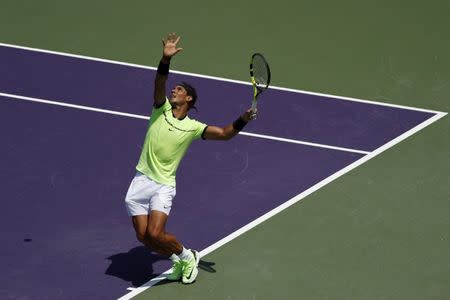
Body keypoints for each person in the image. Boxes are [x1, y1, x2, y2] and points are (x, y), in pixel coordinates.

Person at [124, 33, 256, 284]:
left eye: (180, 90)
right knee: (145, 238)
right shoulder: (160, 109)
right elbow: (159, 82)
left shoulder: (194, 127)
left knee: (155, 232)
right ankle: (178, 260)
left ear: (189, 99)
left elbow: (226, 134)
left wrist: (244, 120)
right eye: (175, 88)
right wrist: (165, 59)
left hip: (163, 185)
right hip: (141, 179)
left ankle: (187, 256)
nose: (174, 90)